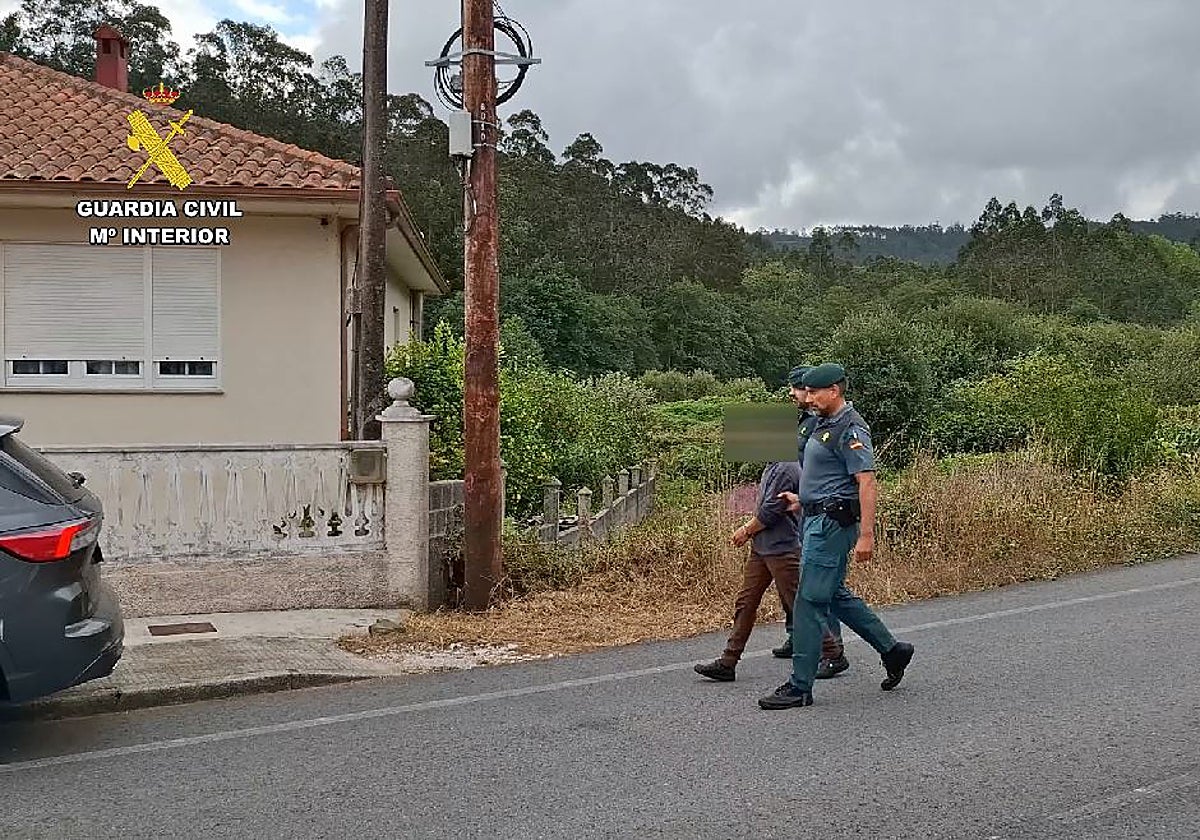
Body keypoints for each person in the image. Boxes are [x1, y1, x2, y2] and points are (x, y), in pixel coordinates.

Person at [758, 362, 914, 710]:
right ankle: (892, 650)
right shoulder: (823, 424)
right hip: (814, 518)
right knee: (833, 595)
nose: (807, 397)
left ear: (835, 391)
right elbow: (827, 476)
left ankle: (800, 686)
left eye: (814, 392)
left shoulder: (851, 428)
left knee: (809, 602)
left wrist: (867, 535)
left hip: (833, 525)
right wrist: (803, 499)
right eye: (807, 391)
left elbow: (866, 481)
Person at [694, 367, 843, 682]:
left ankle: (832, 652)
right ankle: (728, 661)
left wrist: (745, 531)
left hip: (781, 548)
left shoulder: (785, 467)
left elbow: (772, 510)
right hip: (765, 549)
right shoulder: (775, 464)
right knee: (746, 603)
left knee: (801, 606)